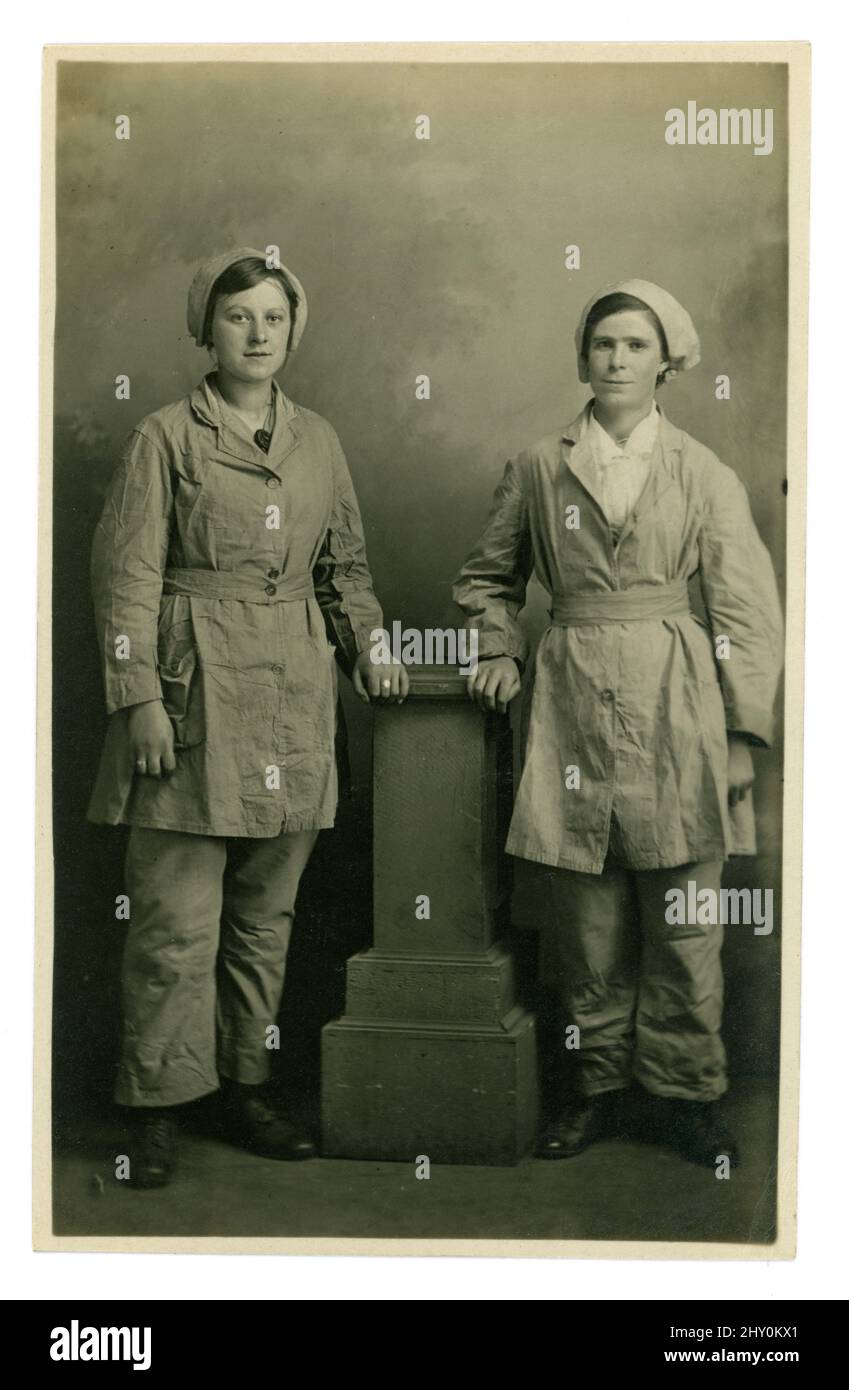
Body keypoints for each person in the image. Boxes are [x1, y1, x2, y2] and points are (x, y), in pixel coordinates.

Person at [88, 246, 408, 1188]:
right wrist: (138, 696)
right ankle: (156, 1102)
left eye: (273, 317)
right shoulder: (164, 438)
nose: (258, 334)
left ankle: (243, 1083)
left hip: (293, 697)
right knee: (173, 920)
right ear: (208, 328)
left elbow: (342, 570)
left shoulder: (319, 440)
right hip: (191, 697)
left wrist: (373, 651)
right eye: (239, 318)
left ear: (292, 329)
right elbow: (124, 582)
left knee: (265, 918)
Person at [452, 279, 783, 1167]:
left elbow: (748, 613)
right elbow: (489, 578)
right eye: (603, 344)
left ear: (665, 363)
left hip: (679, 705)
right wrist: (498, 649)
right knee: (586, 926)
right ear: (582, 358)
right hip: (570, 702)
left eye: (636, 346)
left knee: (682, 920)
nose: (617, 361)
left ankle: (683, 1096)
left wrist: (743, 735)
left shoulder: (700, 472)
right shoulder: (535, 466)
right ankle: (597, 1090)